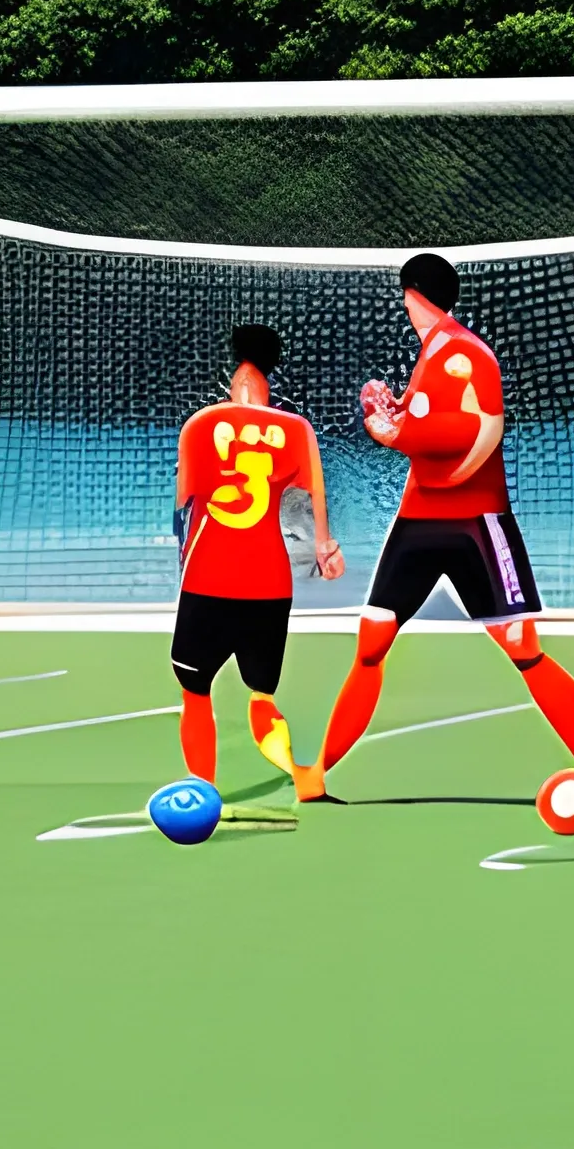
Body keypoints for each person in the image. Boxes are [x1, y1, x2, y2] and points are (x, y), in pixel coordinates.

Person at [292, 255, 574, 828]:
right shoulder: (432, 353)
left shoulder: (465, 352)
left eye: (406, 298)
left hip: (477, 526)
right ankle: (316, 776)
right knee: (373, 640)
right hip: (419, 521)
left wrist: (400, 431)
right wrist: (393, 415)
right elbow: (428, 429)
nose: (404, 308)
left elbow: (483, 428)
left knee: (524, 648)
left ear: (414, 295)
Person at [172, 325, 343, 809]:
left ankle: (201, 792)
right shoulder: (298, 430)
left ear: (234, 376)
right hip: (270, 584)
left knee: (195, 691)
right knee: (262, 696)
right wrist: (327, 551)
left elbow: (183, 507)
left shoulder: (200, 425)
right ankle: (302, 777)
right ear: (270, 374)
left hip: (209, 580)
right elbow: (318, 509)